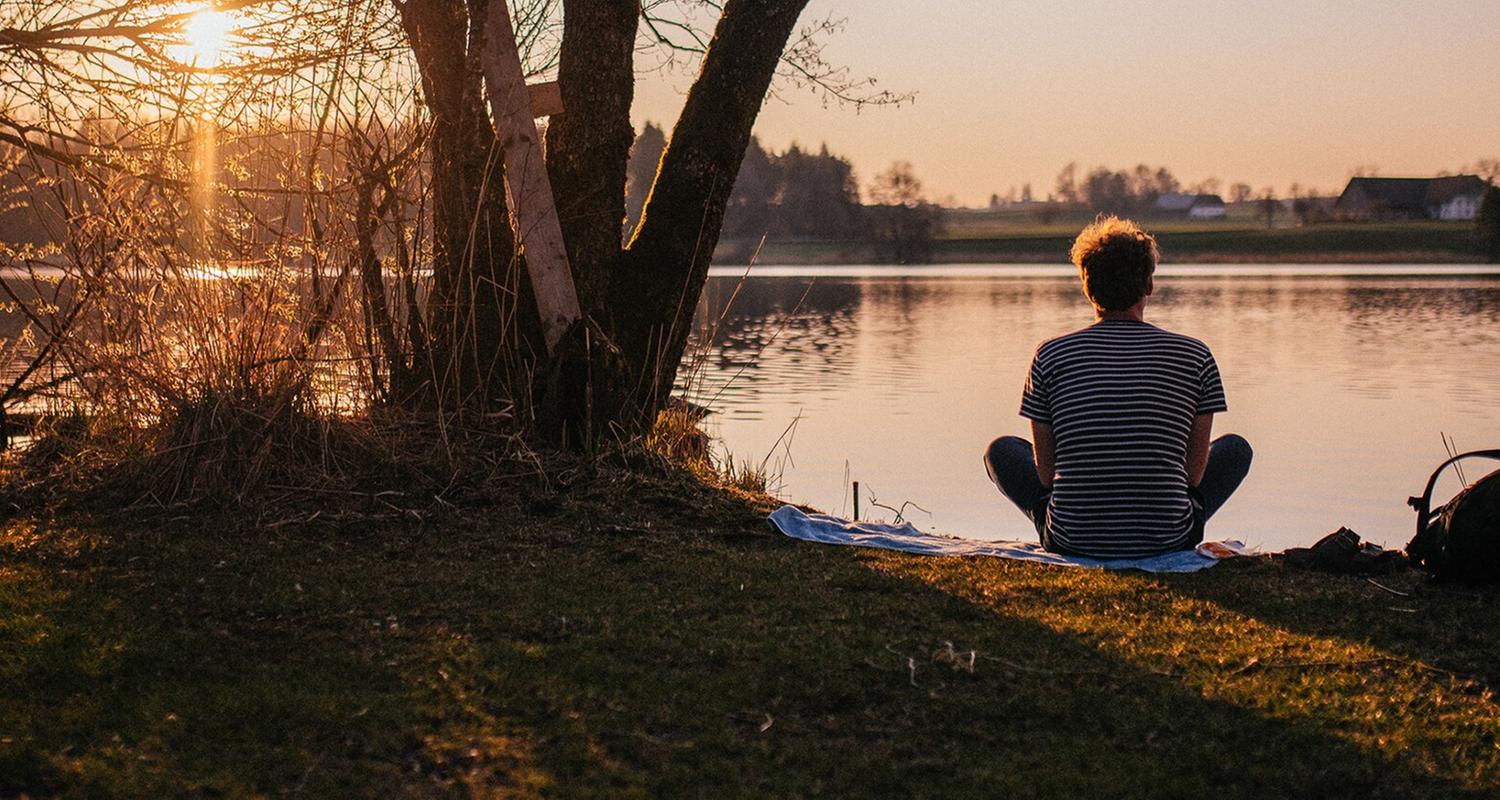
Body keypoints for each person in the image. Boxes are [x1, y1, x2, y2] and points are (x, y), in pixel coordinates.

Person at [984, 216, 1251, 558]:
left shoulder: (1050, 355)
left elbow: (1047, 476)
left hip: (1071, 539)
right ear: (1148, 285)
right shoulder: (1195, 355)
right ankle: (1157, 523)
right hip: (1170, 539)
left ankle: (1076, 521)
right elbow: (1193, 477)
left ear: (1087, 287)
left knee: (1002, 451)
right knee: (1235, 449)